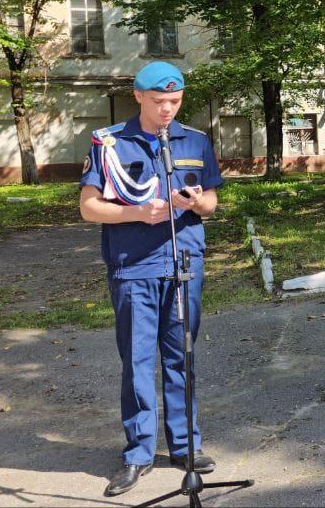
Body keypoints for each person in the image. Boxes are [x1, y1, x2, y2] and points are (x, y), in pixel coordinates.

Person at [78, 61, 224, 497]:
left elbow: (213, 199)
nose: (167, 109)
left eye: (175, 102)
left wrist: (199, 203)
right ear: (138, 97)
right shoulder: (110, 143)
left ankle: (185, 447)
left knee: (182, 356)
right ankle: (138, 453)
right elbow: (89, 207)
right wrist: (137, 212)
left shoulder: (194, 140)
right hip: (135, 266)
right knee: (139, 361)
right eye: (159, 101)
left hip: (183, 263)